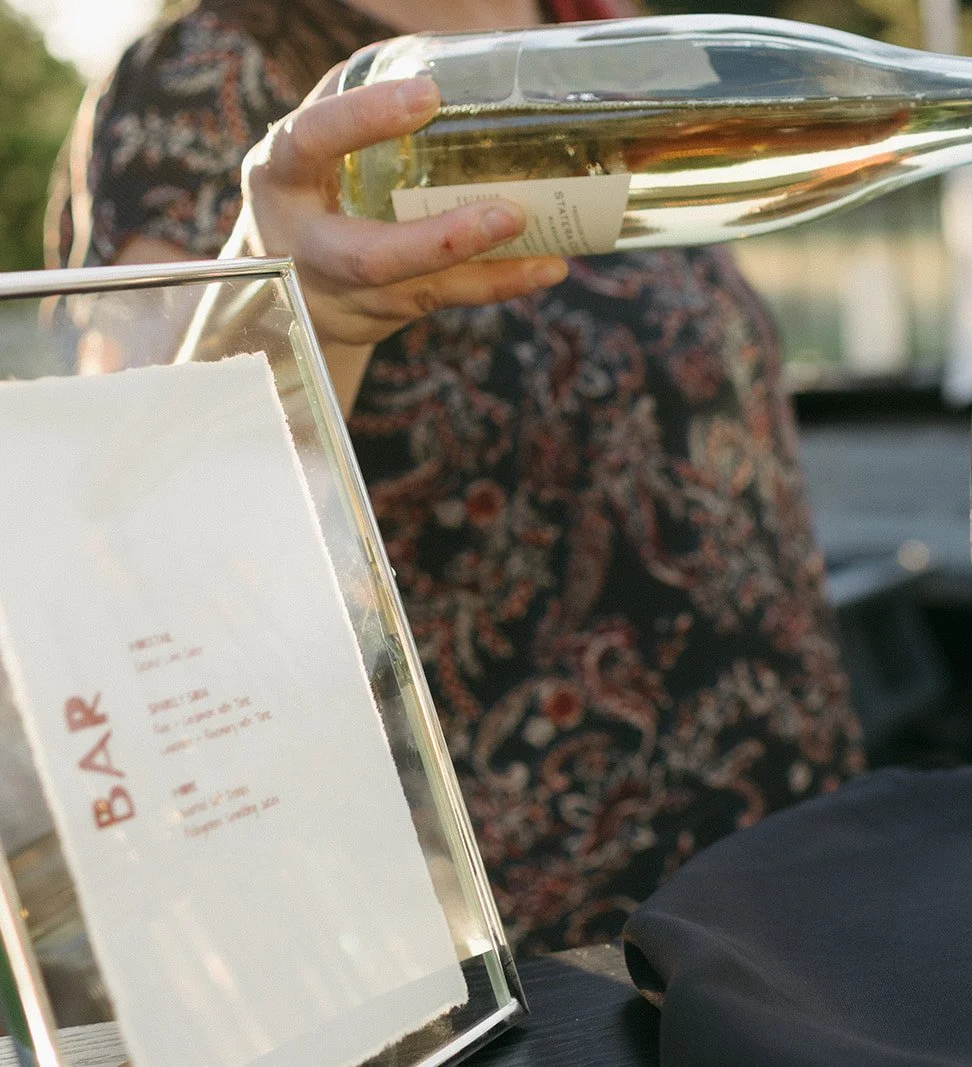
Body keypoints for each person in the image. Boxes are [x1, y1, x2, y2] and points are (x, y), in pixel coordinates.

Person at [51, 0, 864, 954]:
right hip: (545, 948)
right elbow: (137, 548)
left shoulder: (606, 41)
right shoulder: (203, 84)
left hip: (801, 863)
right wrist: (289, 319)